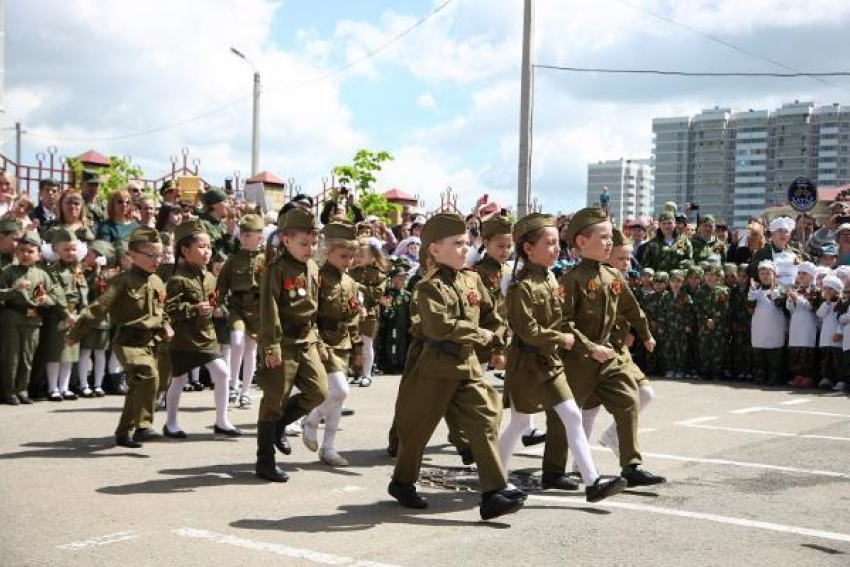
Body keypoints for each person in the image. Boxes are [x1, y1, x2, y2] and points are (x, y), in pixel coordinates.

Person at [387, 212, 525, 521]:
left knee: (484, 419)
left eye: (467, 243)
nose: (466, 249)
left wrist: (497, 338)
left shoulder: (471, 278)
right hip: (435, 366)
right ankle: (402, 481)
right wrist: (479, 334)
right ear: (434, 249)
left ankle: (493, 493)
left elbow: (493, 314)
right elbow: (439, 327)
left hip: (467, 364)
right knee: (417, 429)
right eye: (457, 244)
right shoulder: (427, 286)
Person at [499, 212, 628, 500]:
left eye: (558, 243)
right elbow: (527, 329)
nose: (557, 249)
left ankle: (592, 482)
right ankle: (494, 478)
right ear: (528, 249)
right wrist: (563, 339)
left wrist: (574, 341)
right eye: (549, 243)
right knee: (519, 423)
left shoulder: (552, 280)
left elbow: (560, 320)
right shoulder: (521, 287)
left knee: (572, 415)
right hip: (526, 364)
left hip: (550, 362)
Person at [559, 206, 666, 487]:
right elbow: (563, 323)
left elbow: (633, 309)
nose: (609, 242)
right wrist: (589, 347)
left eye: (610, 238)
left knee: (629, 399)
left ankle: (631, 465)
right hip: (579, 361)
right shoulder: (571, 280)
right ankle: (558, 470)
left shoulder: (614, 277)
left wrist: (645, 334)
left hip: (609, 357)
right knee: (572, 416)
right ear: (582, 242)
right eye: (604, 237)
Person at [67, 227, 172, 447]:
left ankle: (123, 432)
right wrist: (76, 333)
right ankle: (144, 426)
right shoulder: (123, 281)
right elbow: (99, 307)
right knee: (147, 374)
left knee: (139, 387)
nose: (156, 260)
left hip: (151, 342)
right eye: (150, 255)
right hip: (128, 341)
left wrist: (165, 326)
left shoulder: (157, 282)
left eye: (159, 255)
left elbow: (160, 312)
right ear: (132, 255)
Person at [255, 208, 327, 483]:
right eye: (304, 244)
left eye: (313, 243)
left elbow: (314, 309)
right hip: (282, 341)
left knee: (318, 391)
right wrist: (271, 346)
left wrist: (318, 339)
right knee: (274, 399)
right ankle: (264, 461)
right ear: (286, 240)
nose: (310, 249)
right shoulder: (276, 269)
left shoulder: (312, 267)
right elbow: (268, 309)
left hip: (306, 339)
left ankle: (280, 426)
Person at [163, 219, 240, 438]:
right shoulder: (178, 279)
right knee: (178, 380)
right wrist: (193, 308)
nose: (207, 252)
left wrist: (216, 308)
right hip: (184, 339)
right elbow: (169, 309)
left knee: (222, 372)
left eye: (209, 247)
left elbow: (216, 299)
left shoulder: (209, 278)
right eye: (201, 247)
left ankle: (222, 420)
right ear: (185, 250)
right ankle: (171, 423)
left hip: (206, 336)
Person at [301, 220, 362, 467]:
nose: (349, 261)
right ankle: (312, 420)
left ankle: (329, 447)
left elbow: (352, 317)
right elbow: (309, 313)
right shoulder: (316, 276)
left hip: (343, 342)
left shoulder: (350, 282)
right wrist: (316, 342)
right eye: (343, 255)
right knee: (339, 391)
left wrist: (358, 346)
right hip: (323, 342)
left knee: (338, 400)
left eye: (351, 256)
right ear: (328, 251)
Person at [0, 232, 58, 405]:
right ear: (16, 253)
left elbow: (54, 297)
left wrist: (44, 300)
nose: (26, 255)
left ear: (39, 255)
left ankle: (22, 389)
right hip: (12, 317)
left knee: (27, 357)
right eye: (22, 251)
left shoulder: (42, 274)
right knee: (11, 358)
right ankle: (8, 391)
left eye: (30, 251)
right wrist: (14, 290)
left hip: (33, 320)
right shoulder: (8, 271)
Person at [216, 214, 266, 409]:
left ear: (260, 236)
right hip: (237, 306)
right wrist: (218, 303)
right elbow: (221, 286)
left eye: (249, 235)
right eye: (243, 234)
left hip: (257, 308)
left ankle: (245, 391)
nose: (245, 238)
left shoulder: (267, 260)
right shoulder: (233, 260)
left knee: (251, 349)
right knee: (236, 342)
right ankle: (232, 385)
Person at [42, 228, 88, 401]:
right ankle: (52, 387)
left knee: (70, 352)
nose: (70, 253)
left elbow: (83, 291)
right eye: (66, 249)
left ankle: (64, 387)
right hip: (58, 315)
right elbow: (55, 292)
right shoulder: (52, 270)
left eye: (73, 249)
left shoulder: (77, 270)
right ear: (55, 250)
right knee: (55, 352)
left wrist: (82, 312)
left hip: (74, 314)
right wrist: (65, 313)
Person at [77, 240, 116, 397]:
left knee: (100, 353)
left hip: (104, 320)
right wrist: (95, 272)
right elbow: (87, 290)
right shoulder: (83, 272)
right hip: (88, 318)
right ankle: (83, 384)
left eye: (91, 255)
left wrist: (100, 271)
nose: (87, 257)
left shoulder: (111, 275)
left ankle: (98, 384)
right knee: (85, 352)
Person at [350, 238, 388, 386]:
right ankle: (357, 372)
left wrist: (360, 287)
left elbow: (378, 293)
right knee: (355, 345)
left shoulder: (379, 274)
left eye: (362, 255)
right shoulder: (352, 271)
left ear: (373, 256)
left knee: (367, 344)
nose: (358, 258)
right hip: (353, 312)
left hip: (370, 312)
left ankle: (367, 374)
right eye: (357, 255)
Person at [748, 260, 787, 386]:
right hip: (759, 329)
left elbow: (782, 306)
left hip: (774, 329)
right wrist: (752, 294)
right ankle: (760, 376)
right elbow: (750, 307)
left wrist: (776, 294)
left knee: (774, 356)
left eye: (768, 273)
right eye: (762, 273)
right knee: (759, 356)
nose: (765, 276)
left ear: (774, 275)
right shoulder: (756, 291)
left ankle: (774, 377)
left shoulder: (780, 289)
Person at [786, 262, 820, 388]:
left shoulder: (815, 290)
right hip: (796, 324)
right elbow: (791, 309)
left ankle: (808, 376)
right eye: (799, 273)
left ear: (811, 276)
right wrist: (791, 300)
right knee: (796, 351)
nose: (801, 276)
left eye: (804, 273)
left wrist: (797, 298)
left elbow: (811, 306)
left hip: (808, 325)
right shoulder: (797, 289)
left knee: (806, 351)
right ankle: (798, 375)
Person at [694, 264, 730, 381]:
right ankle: (705, 371)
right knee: (704, 348)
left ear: (718, 277)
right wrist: (706, 319)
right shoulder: (699, 291)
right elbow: (697, 308)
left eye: (713, 275)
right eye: (707, 275)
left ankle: (716, 372)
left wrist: (714, 320)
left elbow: (724, 308)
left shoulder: (724, 291)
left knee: (717, 348)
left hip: (718, 325)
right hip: (703, 325)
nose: (709, 277)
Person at [748, 216, 804, 285]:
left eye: (786, 231)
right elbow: (754, 275)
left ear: (789, 236)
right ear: (772, 234)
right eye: (780, 231)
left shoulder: (796, 253)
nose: (783, 234)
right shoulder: (762, 253)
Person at [658, 270, 693, 378]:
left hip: (681, 329)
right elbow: (661, 312)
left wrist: (688, 325)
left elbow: (690, 312)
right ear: (669, 283)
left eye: (679, 281)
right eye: (673, 281)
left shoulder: (685, 296)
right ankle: (670, 368)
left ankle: (680, 369)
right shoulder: (666, 296)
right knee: (668, 349)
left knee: (681, 350)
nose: (676, 284)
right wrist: (661, 326)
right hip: (668, 329)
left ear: (682, 283)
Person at [818, 275, 844, 391]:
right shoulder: (825, 303)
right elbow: (820, 314)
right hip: (825, 338)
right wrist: (827, 302)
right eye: (825, 289)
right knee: (826, 359)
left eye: (830, 289)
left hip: (837, 338)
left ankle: (841, 380)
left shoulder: (842, 303)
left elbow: (842, 320)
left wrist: (839, 332)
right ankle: (827, 378)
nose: (827, 292)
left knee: (838, 360)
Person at [198, 187, 239, 259]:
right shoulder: (202, 225)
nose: (229, 205)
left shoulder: (223, 225)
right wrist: (228, 235)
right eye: (225, 202)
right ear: (214, 204)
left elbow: (232, 252)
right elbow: (215, 254)